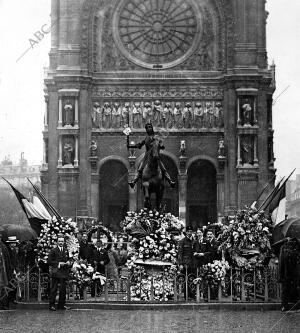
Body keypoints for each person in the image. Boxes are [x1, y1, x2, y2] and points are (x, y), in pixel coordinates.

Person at [128, 123, 175, 189]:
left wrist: (160, 144)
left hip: (156, 156)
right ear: (146, 129)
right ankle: (134, 182)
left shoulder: (156, 137)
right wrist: (132, 145)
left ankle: (170, 181)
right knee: (140, 169)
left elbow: (162, 146)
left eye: (150, 127)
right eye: (147, 127)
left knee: (163, 168)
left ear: (152, 128)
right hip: (147, 157)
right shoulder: (146, 138)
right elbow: (140, 145)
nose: (149, 128)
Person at [48, 235, 72, 311]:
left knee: (63, 290)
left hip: (64, 273)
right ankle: (52, 305)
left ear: (64, 242)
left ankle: (61, 305)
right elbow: (49, 261)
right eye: (59, 241)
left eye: (62, 241)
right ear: (57, 242)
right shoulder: (53, 250)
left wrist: (68, 262)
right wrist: (58, 263)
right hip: (56, 272)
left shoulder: (66, 250)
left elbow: (68, 259)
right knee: (54, 289)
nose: (61, 242)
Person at [278, 237, 300, 312]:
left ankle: (284, 306)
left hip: (286, 272)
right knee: (297, 288)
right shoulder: (297, 246)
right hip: (296, 272)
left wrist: (281, 275)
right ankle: (297, 306)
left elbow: (281, 263)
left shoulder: (283, 247)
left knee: (285, 290)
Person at [178, 226, 195, 299]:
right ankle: (186, 295)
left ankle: (192, 294)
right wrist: (181, 264)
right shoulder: (182, 241)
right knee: (186, 279)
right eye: (188, 231)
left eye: (191, 231)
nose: (189, 233)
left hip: (193, 263)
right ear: (186, 232)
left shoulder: (194, 241)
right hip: (186, 263)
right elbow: (180, 253)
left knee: (192, 278)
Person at [0, 229, 13, 310]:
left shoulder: (4, 247)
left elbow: (8, 260)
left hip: (3, 271)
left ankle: (4, 304)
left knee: (4, 287)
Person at [6, 236, 20, 306]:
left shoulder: (14, 250)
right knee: (9, 285)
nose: (14, 244)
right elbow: (8, 262)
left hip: (14, 270)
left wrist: (17, 270)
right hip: (9, 270)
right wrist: (12, 270)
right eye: (12, 243)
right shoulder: (7, 250)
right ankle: (8, 300)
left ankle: (13, 299)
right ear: (10, 244)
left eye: (14, 243)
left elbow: (16, 261)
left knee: (15, 285)